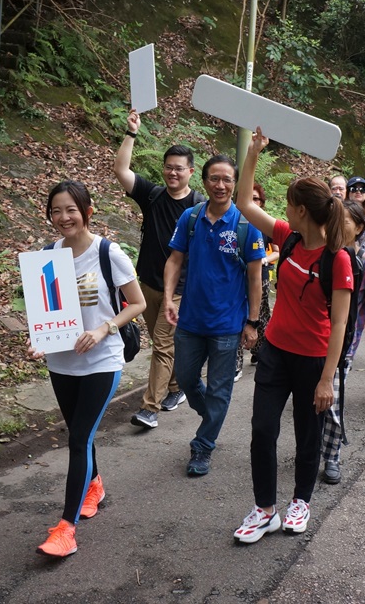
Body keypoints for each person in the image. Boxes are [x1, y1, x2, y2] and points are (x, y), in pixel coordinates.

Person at [233, 127, 353, 544]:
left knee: (308, 433)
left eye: (288, 205)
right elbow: (244, 202)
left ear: (302, 210)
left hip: (313, 361)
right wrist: (253, 154)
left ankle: (301, 500)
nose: (284, 211)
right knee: (263, 429)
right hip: (275, 352)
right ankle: (265, 509)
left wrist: (327, 380)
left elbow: (339, 323)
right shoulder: (287, 237)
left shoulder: (337, 260)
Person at [30, 180, 148, 558]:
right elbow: (47, 312)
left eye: (71, 210)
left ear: (87, 211)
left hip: (101, 360)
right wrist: (40, 338)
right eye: (56, 211)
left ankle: (66, 529)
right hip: (61, 362)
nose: (63, 218)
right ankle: (93, 485)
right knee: (82, 432)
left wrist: (103, 329)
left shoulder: (108, 253)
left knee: (79, 438)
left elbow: (137, 303)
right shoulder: (47, 254)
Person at [164, 154, 265, 477]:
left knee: (220, 390)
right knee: (187, 379)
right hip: (190, 321)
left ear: (235, 184)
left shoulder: (246, 226)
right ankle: (213, 416)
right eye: (214, 179)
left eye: (227, 180)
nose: (220, 185)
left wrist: (251, 323)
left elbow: (254, 278)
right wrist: (169, 298)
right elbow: (175, 260)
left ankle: (203, 446)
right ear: (204, 181)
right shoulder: (191, 218)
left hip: (226, 326)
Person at [112, 110, 205, 430]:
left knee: (162, 347)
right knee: (161, 342)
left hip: (178, 290)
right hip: (146, 284)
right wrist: (131, 133)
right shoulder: (152, 195)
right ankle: (177, 388)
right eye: (168, 167)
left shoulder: (199, 206)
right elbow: (121, 170)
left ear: (190, 172)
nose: (172, 173)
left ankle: (149, 408)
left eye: (179, 168)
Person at [321, 199, 365, 485]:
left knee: (332, 402)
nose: (336, 226)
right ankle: (314, 450)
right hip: (311, 341)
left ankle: (332, 456)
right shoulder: (320, 253)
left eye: (344, 221)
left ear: (359, 227)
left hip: (344, 347)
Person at [248, 183, 280, 365]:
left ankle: (260, 349)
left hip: (262, 273)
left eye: (256, 199)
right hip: (241, 274)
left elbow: (277, 251)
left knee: (261, 311)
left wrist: (264, 260)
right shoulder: (236, 221)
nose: (252, 202)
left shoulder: (266, 224)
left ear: (261, 202)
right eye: (249, 198)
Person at [346, 175, 365, 250]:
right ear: (348, 192)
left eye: (362, 189)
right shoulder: (340, 213)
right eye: (354, 189)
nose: (358, 192)